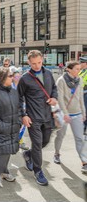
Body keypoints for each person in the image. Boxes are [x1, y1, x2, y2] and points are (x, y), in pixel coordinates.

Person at [18, 50, 58, 186]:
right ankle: (38, 170)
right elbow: (18, 98)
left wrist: (54, 98)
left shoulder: (48, 74)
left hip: (47, 116)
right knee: (37, 144)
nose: (37, 66)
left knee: (45, 141)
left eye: (39, 62)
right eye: (34, 63)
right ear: (28, 62)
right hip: (33, 117)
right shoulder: (25, 78)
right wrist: (23, 115)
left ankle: (28, 154)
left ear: (42, 60)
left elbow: (54, 88)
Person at [54, 61, 87, 173]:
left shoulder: (80, 80)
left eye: (79, 68)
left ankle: (84, 162)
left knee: (80, 138)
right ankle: (57, 153)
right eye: (77, 69)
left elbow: (81, 97)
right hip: (64, 114)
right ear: (69, 69)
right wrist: (65, 114)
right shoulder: (61, 81)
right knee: (60, 136)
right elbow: (60, 99)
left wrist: (83, 112)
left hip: (77, 113)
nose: (79, 71)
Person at [9, 66, 29, 150]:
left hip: (22, 108)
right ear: (12, 78)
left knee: (24, 125)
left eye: (19, 76)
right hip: (13, 109)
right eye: (16, 76)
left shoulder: (23, 85)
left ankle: (20, 140)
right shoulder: (10, 86)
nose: (18, 78)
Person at [79, 56, 87, 136]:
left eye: (82, 62)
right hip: (80, 94)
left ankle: (84, 128)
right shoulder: (81, 72)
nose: (80, 64)